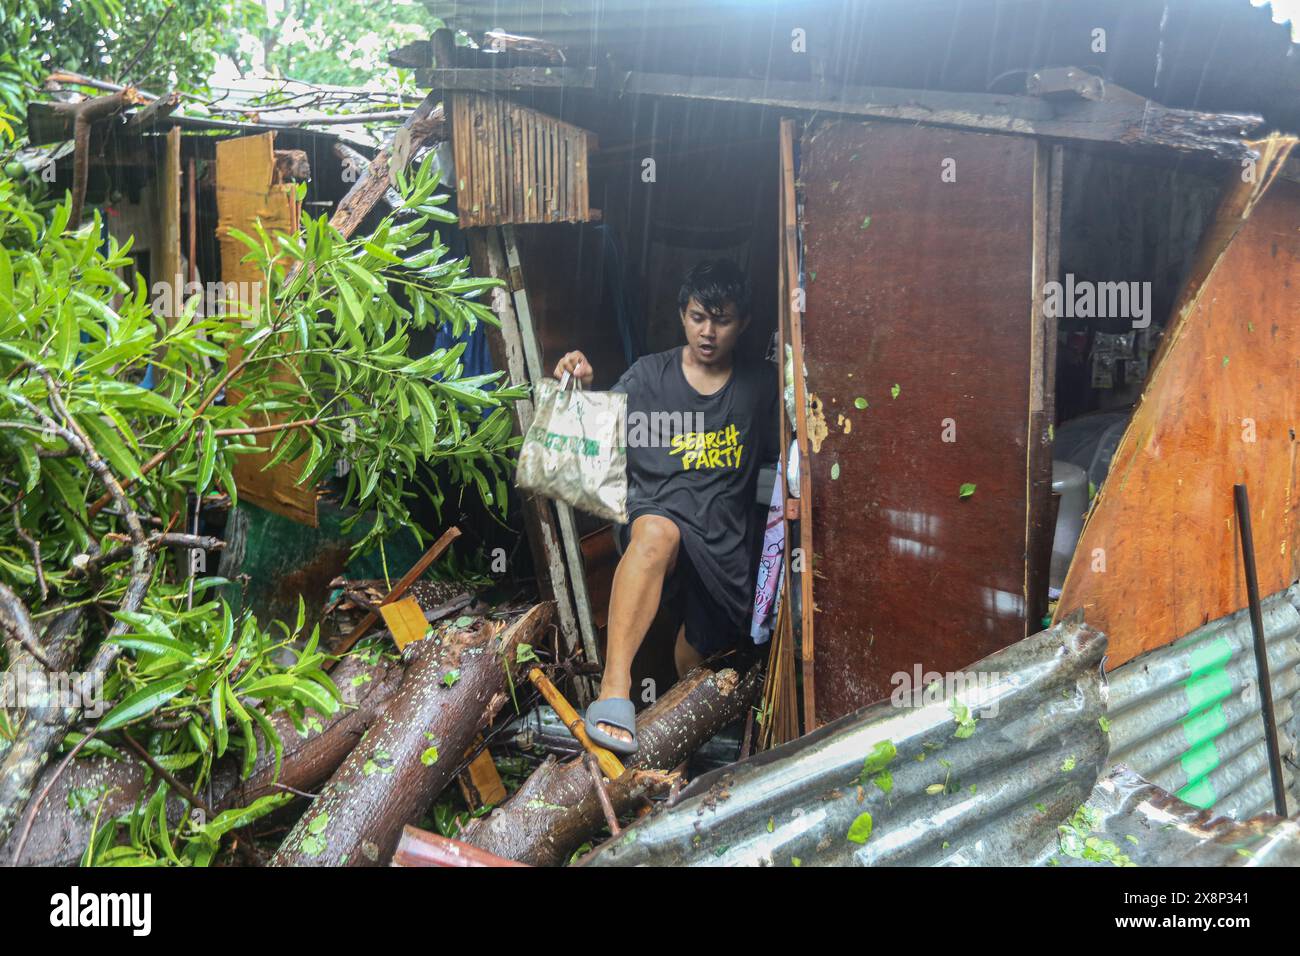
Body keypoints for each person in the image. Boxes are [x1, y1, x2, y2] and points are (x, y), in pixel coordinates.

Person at [553, 259, 778, 755]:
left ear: (741, 323)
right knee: (657, 533)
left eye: (722, 320)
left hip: (725, 541)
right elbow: (591, 434)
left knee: (698, 651)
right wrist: (581, 384)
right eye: (699, 316)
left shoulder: (761, 386)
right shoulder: (648, 378)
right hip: (658, 516)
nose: (708, 331)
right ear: (683, 315)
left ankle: (684, 746)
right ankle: (614, 693)